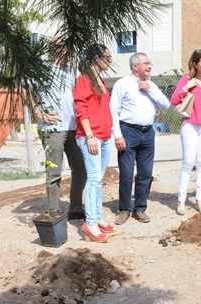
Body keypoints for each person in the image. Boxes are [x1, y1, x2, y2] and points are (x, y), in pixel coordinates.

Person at [110, 52, 170, 225]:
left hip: (148, 133)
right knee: (127, 174)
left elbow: (165, 104)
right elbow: (113, 110)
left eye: (150, 63)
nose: (150, 66)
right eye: (146, 63)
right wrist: (117, 135)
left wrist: (149, 89)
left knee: (145, 173)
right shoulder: (123, 84)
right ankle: (124, 209)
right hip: (128, 132)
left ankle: (140, 209)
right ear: (135, 66)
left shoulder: (151, 85)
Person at [73, 44, 115, 243]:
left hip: (104, 137)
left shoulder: (101, 80)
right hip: (92, 137)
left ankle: (98, 218)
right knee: (94, 179)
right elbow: (81, 109)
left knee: (99, 180)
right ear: (95, 58)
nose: (110, 60)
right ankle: (89, 223)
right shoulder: (83, 79)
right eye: (106, 57)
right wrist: (89, 136)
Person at [35, 63, 86, 220]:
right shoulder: (42, 69)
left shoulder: (74, 70)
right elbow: (26, 91)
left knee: (81, 170)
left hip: (73, 128)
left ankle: (76, 208)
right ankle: (54, 211)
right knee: (54, 172)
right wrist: (38, 111)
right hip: (53, 128)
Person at [170, 49, 201, 216]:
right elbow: (174, 100)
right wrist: (186, 87)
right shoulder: (186, 79)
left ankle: (199, 199)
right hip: (189, 125)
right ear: (195, 64)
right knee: (188, 163)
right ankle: (181, 201)